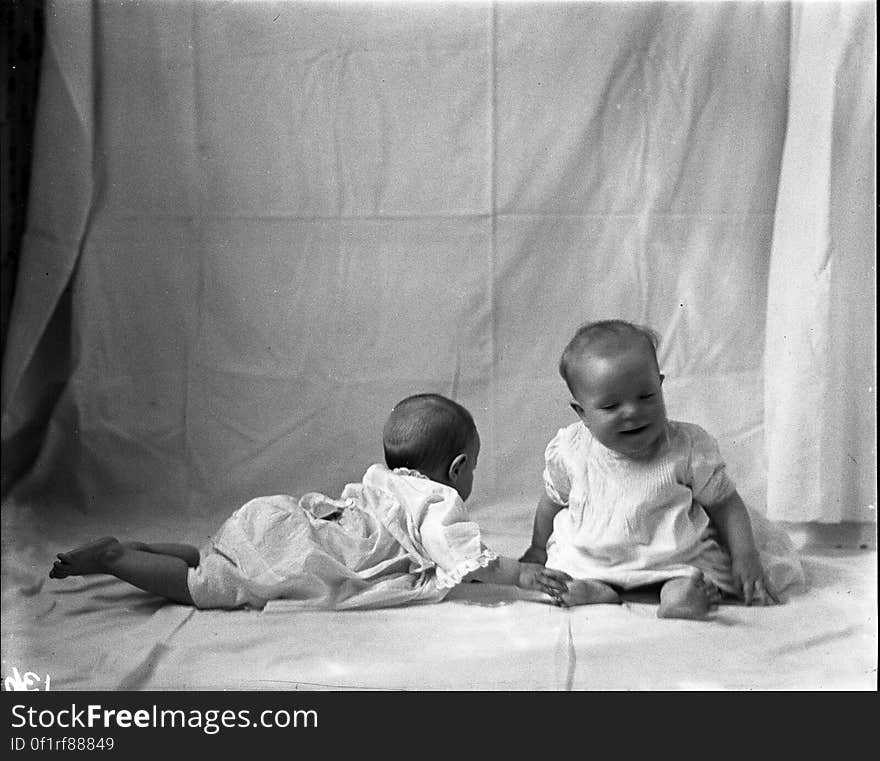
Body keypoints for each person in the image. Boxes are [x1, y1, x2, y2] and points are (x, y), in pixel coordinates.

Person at [49, 393, 571, 610]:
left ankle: (137, 544)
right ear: (458, 468)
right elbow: (451, 546)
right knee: (213, 584)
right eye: (472, 467)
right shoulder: (434, 497)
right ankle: (118, 559)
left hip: (279, 518)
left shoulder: (382, 479)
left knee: (209, 552)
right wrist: (518, 574)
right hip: (310, 547)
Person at [520, 320, 780, 619]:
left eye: (646, 396)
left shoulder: (687, 446)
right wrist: (538, 549)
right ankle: (594, 589)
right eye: (611, 406)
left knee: (689, 576)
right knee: (567, 570)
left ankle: (680, 594)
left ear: (660, 384)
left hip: (672, 555)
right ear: (582, 413)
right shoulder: (571, 449)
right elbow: (552, 502)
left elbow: (725, 503)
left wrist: (745, 556)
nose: (632, 411)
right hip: (592, 556)